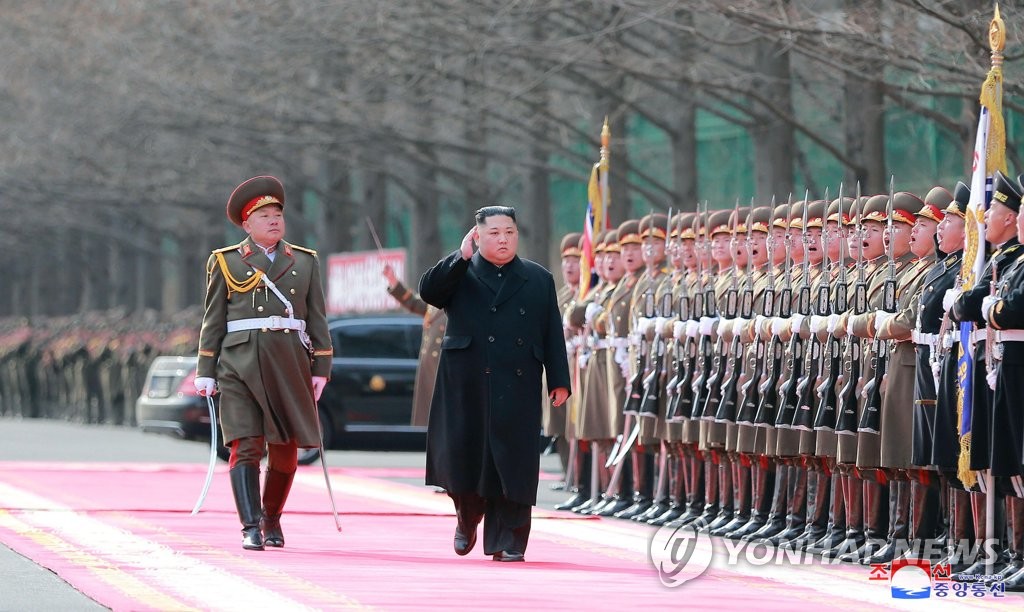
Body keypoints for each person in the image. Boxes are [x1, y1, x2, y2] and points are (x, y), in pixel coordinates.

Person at [418, 205, 571, 562]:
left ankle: (511, 539)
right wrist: (460, 256)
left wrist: (559, 379)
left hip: (517, 380)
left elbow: (552, 333)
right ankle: (467, 516)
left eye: (509, 232)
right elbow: (429, 292)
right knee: (465, 456)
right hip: (467, 380)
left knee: (514, 461)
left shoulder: (538, 278)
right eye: (494, 233)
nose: (503, 239)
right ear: (477, 235)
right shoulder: (460, 271)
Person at [194, 175, 333, 551]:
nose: (274, 221)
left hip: (289, 363)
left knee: (286, 450)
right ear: (246, 224)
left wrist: (321, 367)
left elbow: (317, 318)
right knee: (246, 443)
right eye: (264, 215)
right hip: (239, 362)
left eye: (277, 214)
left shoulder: (304, 262)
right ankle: (250, 525)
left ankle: (272, 516)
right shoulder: (225, 261)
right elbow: (213, 319)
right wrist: (205, 370)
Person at [383, 263, 447, 428]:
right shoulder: (436, 302)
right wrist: (393, 281)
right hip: (430, 371)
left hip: (444, 373)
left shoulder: (458, 303)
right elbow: (413, 303)